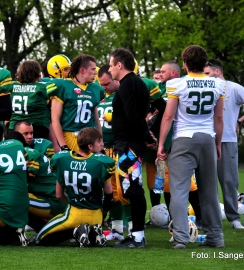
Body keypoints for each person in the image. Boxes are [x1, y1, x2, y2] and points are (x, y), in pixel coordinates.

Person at [157, 45, 225, 249]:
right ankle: (216, 237)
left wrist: (161, 143)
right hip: (207, 138)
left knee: (178, 191)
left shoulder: (177, 84)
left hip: (184, 139)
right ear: (205, 64)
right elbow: (219, 117)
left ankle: (181, 238)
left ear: (185, 64)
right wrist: (218, 143)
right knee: (210, 191)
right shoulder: (217, 85)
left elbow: (168, 116)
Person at [108, 48, 156, 248]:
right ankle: (136, 234)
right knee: (130, 188)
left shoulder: (128, 84)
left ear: (120, 65)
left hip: (129, 145)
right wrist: (147, 135)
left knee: (133, 188)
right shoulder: (137, 83)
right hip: (129, 143)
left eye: (111, 65)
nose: (109, 69)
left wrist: (146, 137)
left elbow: (133, 117)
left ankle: (137, 237)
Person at [34, 127, 113, 247]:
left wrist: (71, 203)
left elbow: (59, 194)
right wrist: (103, 214)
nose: (102, 144)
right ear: (90, 147)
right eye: (99, 141)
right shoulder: (102, 162)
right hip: (96, 215)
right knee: (91, 228)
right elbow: (109, 195)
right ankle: (92, 233)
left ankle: (75, 231)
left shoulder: (62, 159)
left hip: (74, 214)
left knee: (40, 239)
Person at [204, 59, 244, 229]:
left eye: (207, 73)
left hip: (227, 139)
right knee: (205, 181)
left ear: (217, 72)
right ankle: (207, 218)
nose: (205, 77)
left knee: (229, 180)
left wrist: (239, 121)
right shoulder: (203, 87)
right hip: (205, 139)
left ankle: (233, 218)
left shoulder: (234, 88)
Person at [96, 65, 128, 240]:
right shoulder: (99, 96)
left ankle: (132, 228)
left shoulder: (123, 95)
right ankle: (116, 229)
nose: (104, 88)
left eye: (107, 84)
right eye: (101, 84)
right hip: (103, 149)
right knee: (109, 191)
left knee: (125, 190)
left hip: (119, 149)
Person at [48, 54, 103, 152]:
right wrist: (63, 145)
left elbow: (96, 118)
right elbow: (55, 119)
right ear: (82, 70)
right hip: (70, 136)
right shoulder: (63, 86)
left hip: (90, 137)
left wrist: (100, 140)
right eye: (93, 69)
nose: (95, 72)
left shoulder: (95, 89)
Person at [8, 60, 50, 139]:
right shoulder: (42, 87)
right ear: (37, 73)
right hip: (36, 129)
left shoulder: (11, 86)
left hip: (14, 129)